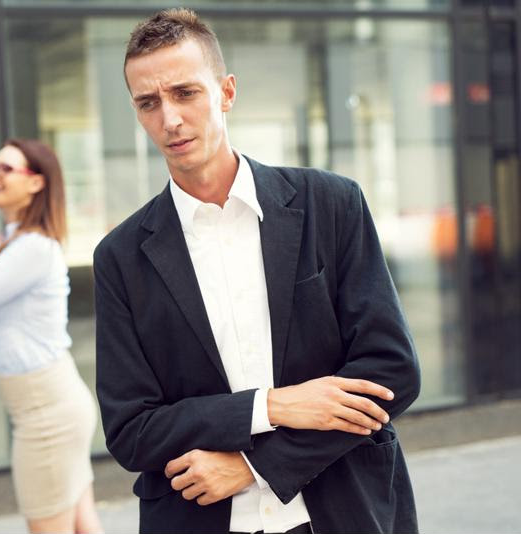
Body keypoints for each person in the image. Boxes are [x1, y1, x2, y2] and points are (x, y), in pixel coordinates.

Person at [93, 9, 421, 534]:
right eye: (148, 103)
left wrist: (253, 465)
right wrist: (271, 406)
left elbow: (391, 374)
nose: (170, 119)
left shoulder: (330, 204)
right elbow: (132, 430)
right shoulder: (120, 257)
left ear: (226, 92)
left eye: (185, 93)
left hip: (341, 512)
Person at [0, 139, 103, 534]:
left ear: (36, 184)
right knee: (84, 526)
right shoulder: (17, 242)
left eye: (5, 169)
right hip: (52, 405)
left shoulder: (32, 248)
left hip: (46, 415)